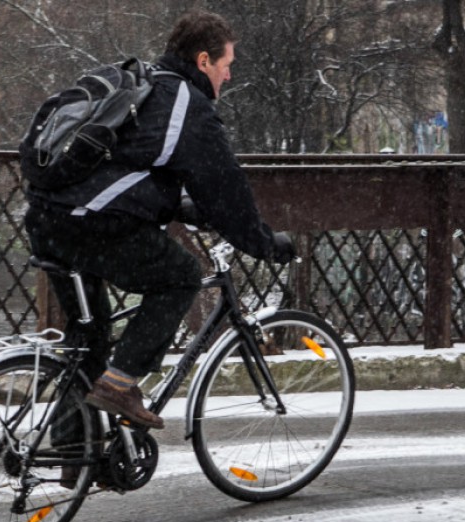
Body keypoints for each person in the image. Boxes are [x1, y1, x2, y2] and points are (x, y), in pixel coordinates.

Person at [23, 9, 296, 432]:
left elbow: (128, 170)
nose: (228, 77)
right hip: (88, 227)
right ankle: (120, 386)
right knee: (181, 276)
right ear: (204, 60)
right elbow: (227, 192)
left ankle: (74, 450)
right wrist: (264, 243)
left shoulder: (143, 85)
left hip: (46, 218)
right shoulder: (188, 106)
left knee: (90, 336)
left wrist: (179, 208)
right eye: (226, 66)